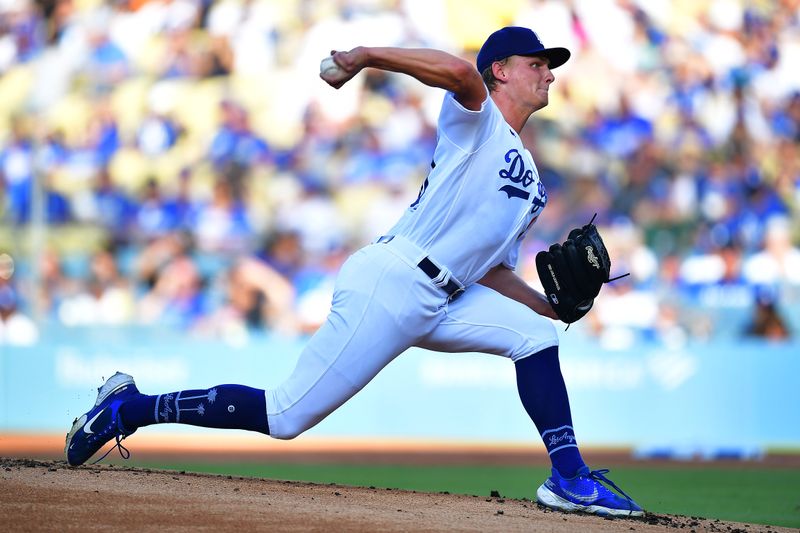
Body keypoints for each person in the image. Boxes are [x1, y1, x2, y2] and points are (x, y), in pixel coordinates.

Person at [65, 26, 643, 517]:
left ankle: (568, 477)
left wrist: (549, 307)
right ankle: (130, 406)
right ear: (500, 71)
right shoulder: (478, 120)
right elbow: (455, 72)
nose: (548, 74)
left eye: (550, 66)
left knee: (536, 335)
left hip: (450, 295)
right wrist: (364, 57)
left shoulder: (531, 181)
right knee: (286, 415)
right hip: (393, 282)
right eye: (536, 63)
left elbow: (491, 268)